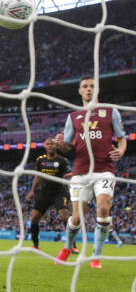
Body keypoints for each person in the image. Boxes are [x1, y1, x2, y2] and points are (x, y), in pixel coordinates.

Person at [54, 76, 127, 268]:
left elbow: (122, 138)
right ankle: (68, 247)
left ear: (97, 90)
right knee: (77, 218)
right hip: (81, 172)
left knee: (103, 209)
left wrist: (121, 150)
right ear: (79, 91)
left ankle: (96, 255)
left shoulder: (111, 112)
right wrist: (60, 145)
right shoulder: (73, 117)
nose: (88, 89)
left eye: (92, 86)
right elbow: (68, 148)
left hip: (104, 170)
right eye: (85, 86)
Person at [26, 137, 70, 250]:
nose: (50, 146)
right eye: (48, 144)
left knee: (65, 217)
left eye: (53, 144)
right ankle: (35, 245)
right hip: (44, 193)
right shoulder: (40, 160)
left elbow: (69, 177)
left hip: (59, 192)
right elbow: (37, 176)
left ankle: (71, 245)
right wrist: (32, 191)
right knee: (34, 218)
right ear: (45, 146)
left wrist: (72, 190)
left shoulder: (63, 161)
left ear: (56, 146)